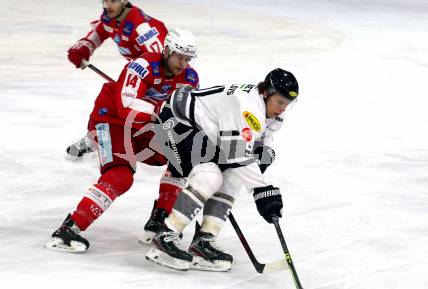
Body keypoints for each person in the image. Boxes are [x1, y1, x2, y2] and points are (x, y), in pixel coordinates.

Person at [45, 29, 199, 253]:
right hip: (110, 122)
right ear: (166, 51)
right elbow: (125, 105)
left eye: (188, 58)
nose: (183, 63)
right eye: (179, 57)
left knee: (181, 158)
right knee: (120, 176)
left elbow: (186, 112)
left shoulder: (190, 78)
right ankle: (69, 229)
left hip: (145, 127)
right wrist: (161, 111)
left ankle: (160, 221)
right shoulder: (142, 65)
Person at [144, 68, 299, 271]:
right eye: (280, 102)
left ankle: (204, 241)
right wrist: (262, 191)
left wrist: (261, 164)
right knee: (209, 176)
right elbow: (237, 154)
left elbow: (256, 146)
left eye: (288, 104)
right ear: (267, 92)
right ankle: (165, 236)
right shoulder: (247, 106)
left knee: (234, 176)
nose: (283, 109)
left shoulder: (272, 115)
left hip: (207, 133)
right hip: (176, 121)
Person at [66, 0, 168, 159]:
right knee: (111, 100)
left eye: (112, 1)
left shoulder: (143, 29)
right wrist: (83, 47)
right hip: (137, 76)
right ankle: (99, 138)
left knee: (113, 101)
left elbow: (165, 62)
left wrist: (149, 89)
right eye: (104, 0)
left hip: (155, 82)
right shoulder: (111, 18)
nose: (107, 5)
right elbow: (98, 33)